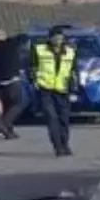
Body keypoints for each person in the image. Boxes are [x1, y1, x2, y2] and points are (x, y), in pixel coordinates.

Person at [29, 25, 78, 156]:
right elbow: (32, 67)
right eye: (55, 37)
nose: (58, 39)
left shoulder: (70, 51)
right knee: (52, 118)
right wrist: (34, 81)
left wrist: (74, 89)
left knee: (64, 119)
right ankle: (58, 147)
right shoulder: (39, 50)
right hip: (46, 90)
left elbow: (74, 71)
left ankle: (65, 143)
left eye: (60, 37)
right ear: (50, 38)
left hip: (63, 90)